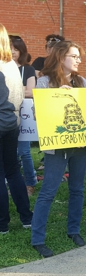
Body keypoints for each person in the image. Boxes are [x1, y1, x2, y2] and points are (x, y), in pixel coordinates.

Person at [31, 41, 86, 257]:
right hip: (57, 147)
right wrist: (57, 96)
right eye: (74, 56)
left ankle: (73, 230)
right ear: (60, 57)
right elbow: (40, 115)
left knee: (77, 189)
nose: (79, 60)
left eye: (78, 56)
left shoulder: (82, 82)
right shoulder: (44, 82)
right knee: (48, 191)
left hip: (81, 145)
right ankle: (38, 239)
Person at [0, 24, 33, 234]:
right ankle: (26, 217)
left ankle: (2, 224)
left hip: (4, 122)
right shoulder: (11, 64)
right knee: (12, 171)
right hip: (12, 123)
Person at [10, 35, 37, 196]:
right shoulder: (4, 68)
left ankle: (30, 182)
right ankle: (12, 181)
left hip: (24, 114)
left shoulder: (28, 69)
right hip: (7, 115)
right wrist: (21, 89)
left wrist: (12, 90)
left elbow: (31, 91)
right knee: (9, 152)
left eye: (16, 49)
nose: (13, 52)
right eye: (10, 48)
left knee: (24, 151)